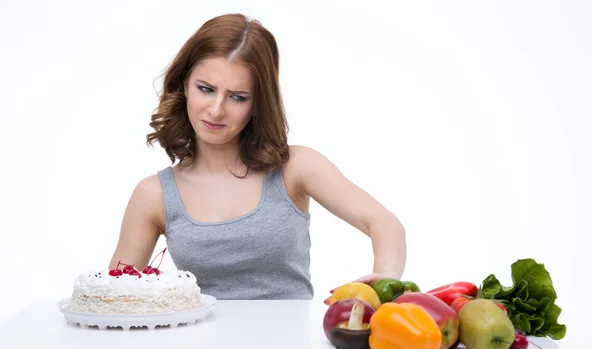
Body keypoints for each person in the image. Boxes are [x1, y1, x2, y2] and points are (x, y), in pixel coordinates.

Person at [107, 13, 407, 303]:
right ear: (185, 85)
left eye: (237, 96)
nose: (216, 109)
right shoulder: (154, 194)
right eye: (206, 89)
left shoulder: (295, 168)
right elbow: (113, 297)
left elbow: (383, 222)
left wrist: (384, 277)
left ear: (257, 104)